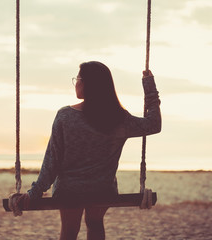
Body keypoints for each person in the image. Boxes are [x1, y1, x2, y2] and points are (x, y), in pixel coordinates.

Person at [15, 61, 161, 240]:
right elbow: (153, 125)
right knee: (95, 224)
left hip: (69, 190)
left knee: (69, 230)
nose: (76, 83)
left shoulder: (65, 116)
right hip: (102, 189)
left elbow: (52, 161)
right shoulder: (119, 119)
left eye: (78, 79)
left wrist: (35, 192)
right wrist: (150, 88)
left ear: (88, 83)